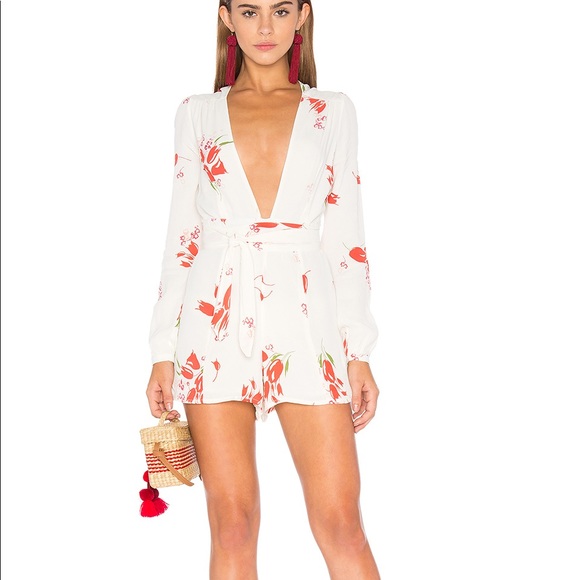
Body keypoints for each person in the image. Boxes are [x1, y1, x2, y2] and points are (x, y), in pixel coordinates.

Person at [146, 1, 381, 577]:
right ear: (227, 17)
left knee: (341, 524)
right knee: (233, 524)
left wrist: (357, 351)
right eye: (249, 12)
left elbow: (346, 239)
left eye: (280, 10)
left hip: (307, 321)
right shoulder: (197, 113)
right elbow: (182, 237)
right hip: (213, 320)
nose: (266, 28)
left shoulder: (332, 111)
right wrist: (163, 351)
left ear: (302, 15)